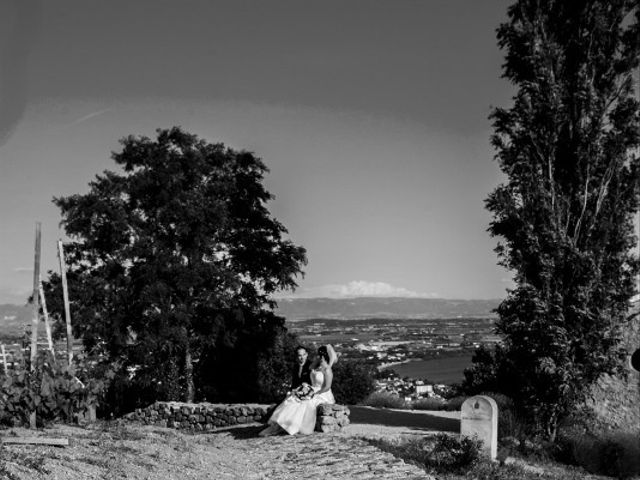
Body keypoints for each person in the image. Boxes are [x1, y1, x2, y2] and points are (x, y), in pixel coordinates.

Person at [259, 344, 337, 436]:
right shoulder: (315, 366)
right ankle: (281, 424)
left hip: (322, 392)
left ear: (324, 356)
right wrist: (303, 389)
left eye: (320, 355)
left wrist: (315, 393)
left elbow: (327, 387)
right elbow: (309, 373)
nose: (318, 357)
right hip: (310, 389)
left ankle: (292, 425)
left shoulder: (327, 369)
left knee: (305, 403)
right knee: (292, 400)